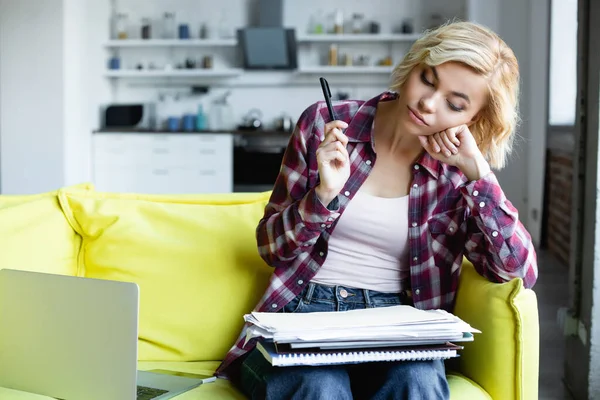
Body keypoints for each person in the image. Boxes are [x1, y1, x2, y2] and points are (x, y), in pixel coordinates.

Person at [216, 20, 538, 400]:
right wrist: (322, 196)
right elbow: (271, 249)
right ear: (414, 63)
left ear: (474, 120)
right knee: (319, 387)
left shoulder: (458, 176)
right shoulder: (325, 124)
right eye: (428, 79)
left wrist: (478, 174)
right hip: (304, 312)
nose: (426, 103)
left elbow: (517, 271)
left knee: (417, 384)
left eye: (454, 104)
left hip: (400, 325)